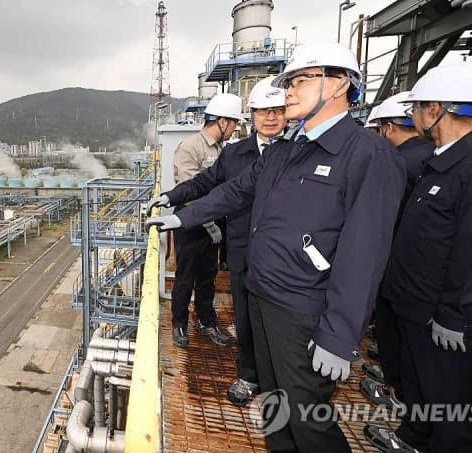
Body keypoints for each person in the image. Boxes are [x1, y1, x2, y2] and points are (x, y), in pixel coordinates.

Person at [147, 42, 405, 453]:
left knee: (307, 419)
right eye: (288, 82)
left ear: (338, 84)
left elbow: (365, 255)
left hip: (305, 311)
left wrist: (339, 335)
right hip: (262, 297)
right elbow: (234, 191)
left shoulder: (368, 156)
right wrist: (181, 216)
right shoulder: (287, 150)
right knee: (275, 406)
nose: (288, 91)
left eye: (300, 80)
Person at [365, 62, 472, 453]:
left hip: (451, 320)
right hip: (419, 310)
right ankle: (413, 440)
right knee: (422, 392)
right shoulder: (444, 159)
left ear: (437, 108)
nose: (413, 115)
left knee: (454, 411)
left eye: (418, 106)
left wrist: (456, 316)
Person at [147, 77, 288, 406]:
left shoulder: (295, 153)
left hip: (279, 253)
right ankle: (249, 373)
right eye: (262, 111)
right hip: (235, 244)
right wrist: (170, 200)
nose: (270, 118)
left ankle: (278, 381)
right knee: (243, 316)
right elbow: (205, 186)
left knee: (275, 322)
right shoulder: (235, 155)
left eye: (277, 110)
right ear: (249, 116)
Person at [359, 93, 434, 413]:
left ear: (388, 128)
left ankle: (399, 394)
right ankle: (398, 384)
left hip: (401, 270)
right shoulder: (430, 156)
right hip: (420, 274)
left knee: (401, 337)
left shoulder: (398, 162)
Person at [164, 92, 243, 349]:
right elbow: (190, 189)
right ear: (222, 121)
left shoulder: (223, 150)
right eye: (233, 123)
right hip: (191, 223)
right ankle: (179, 323)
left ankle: (206, 320)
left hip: (214, 225)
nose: (235, 129)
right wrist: (208, 222)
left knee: (208, 276)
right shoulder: (190, 147)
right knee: (186, 275)